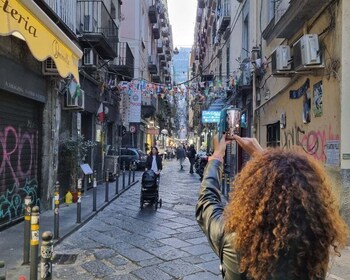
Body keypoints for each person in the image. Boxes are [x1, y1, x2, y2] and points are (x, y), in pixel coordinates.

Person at [196, 134, 349, 280]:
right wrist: (265, 158)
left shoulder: (235, 240)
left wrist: (217, 157)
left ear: (252, 192)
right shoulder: (315, 240)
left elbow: (207, 203)